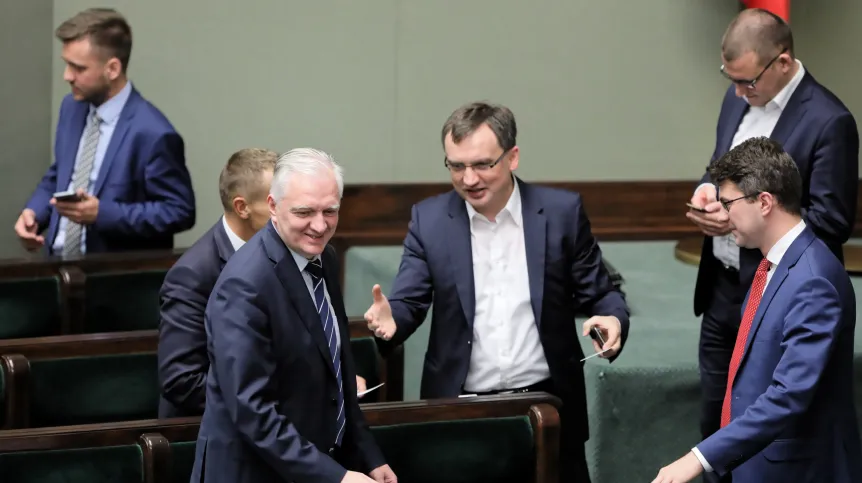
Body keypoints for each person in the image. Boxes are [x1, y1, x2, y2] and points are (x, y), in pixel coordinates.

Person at [363, 101, 630, 483]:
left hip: (547, 406)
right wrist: (392, 322)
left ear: (513, 157)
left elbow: (601, 295)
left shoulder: (561, 213)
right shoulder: (430, 219)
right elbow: (408, 301)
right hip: (461, 412)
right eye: (456, 166)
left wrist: (612, 319)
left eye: (482, 164)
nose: (468, 179)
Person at [686, 10, 858, 479]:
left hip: (779, 292)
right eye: (732, 80)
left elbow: (832, 221)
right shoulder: (735, 96)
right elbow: (723, 166)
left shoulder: (830, 121)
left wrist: (743, 221)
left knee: (768, 428)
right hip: (722, 289)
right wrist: (710, 191)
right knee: (717, 416)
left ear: (783, 62)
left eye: (748, 81)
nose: (740, 91)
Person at [656, 136, 862, 483]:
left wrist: (698, 458)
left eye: (729, 203)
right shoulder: (772, 264)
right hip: (758, 463)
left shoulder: (813, 282)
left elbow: (788, 395)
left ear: (764, 202)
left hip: (797, 470)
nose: (723, 214)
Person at [190, 148, 396, 483]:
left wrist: (367, 456)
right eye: (304, 212)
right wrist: (336, 477)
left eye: (330, 211)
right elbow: (252, 410)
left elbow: (338, 373)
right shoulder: (244, 285)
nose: (319, 225)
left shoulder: (322, 259)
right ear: (273, 206)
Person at [157, 148, 368, 418]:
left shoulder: (309, 253)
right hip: (205, 435)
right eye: (280, 201)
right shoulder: (194, 274)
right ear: (243, 207)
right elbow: (182, 382)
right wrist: (300, 393)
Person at [14, 8, 195, 256]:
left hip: (109, 279)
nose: (67, 76)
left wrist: (103, 214)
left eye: (78, 68)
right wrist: (34, 212)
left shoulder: (154, 133)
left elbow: (179, 211)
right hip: (55, 266)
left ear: (112, 68)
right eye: (67, 65)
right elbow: (61, 174)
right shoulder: (72, 107)